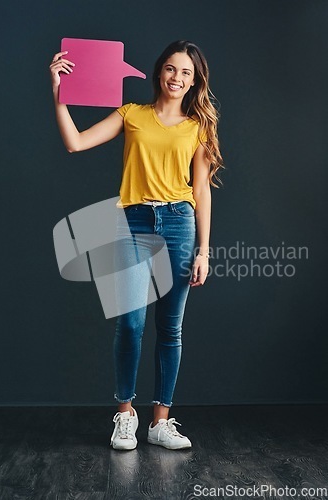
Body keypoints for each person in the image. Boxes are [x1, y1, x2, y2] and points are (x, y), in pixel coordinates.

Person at [49, 39, 224, 451]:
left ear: (195, 80)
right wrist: (59, 91)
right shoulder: (132, 115)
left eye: (186, 73)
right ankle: (125, 415)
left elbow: (201, 190)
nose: (177, 78)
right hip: (132, 221)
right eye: (170, 69)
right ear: (157, 72)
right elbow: (75, 143)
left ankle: (160, 421)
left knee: (171, 328)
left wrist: (205, 249)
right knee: (130, 324)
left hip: (179, 223)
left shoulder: (198, 126)